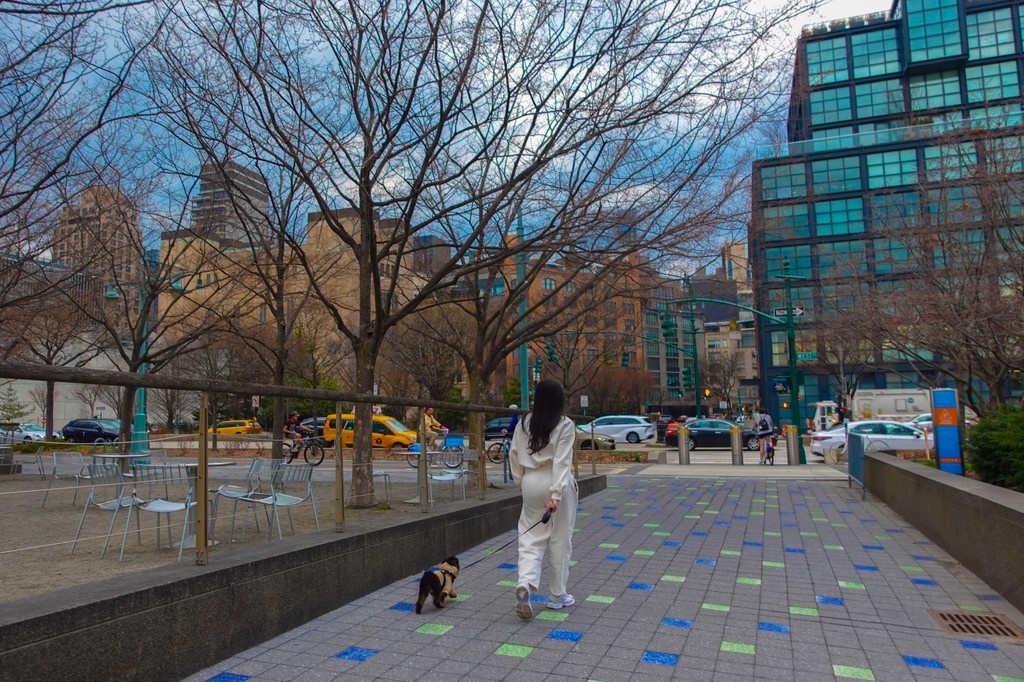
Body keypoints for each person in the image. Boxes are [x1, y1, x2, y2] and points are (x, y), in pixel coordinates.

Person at [508, 379, 578, 621]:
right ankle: (557, 595)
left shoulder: (525, 422)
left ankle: (525, 583)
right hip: (554, 484)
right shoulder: (565, 424)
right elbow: (562, 460)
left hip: (530, 482)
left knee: (529, 537)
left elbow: (514, 453)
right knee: (558, 539)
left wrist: (521, 480)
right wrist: (556, 494)